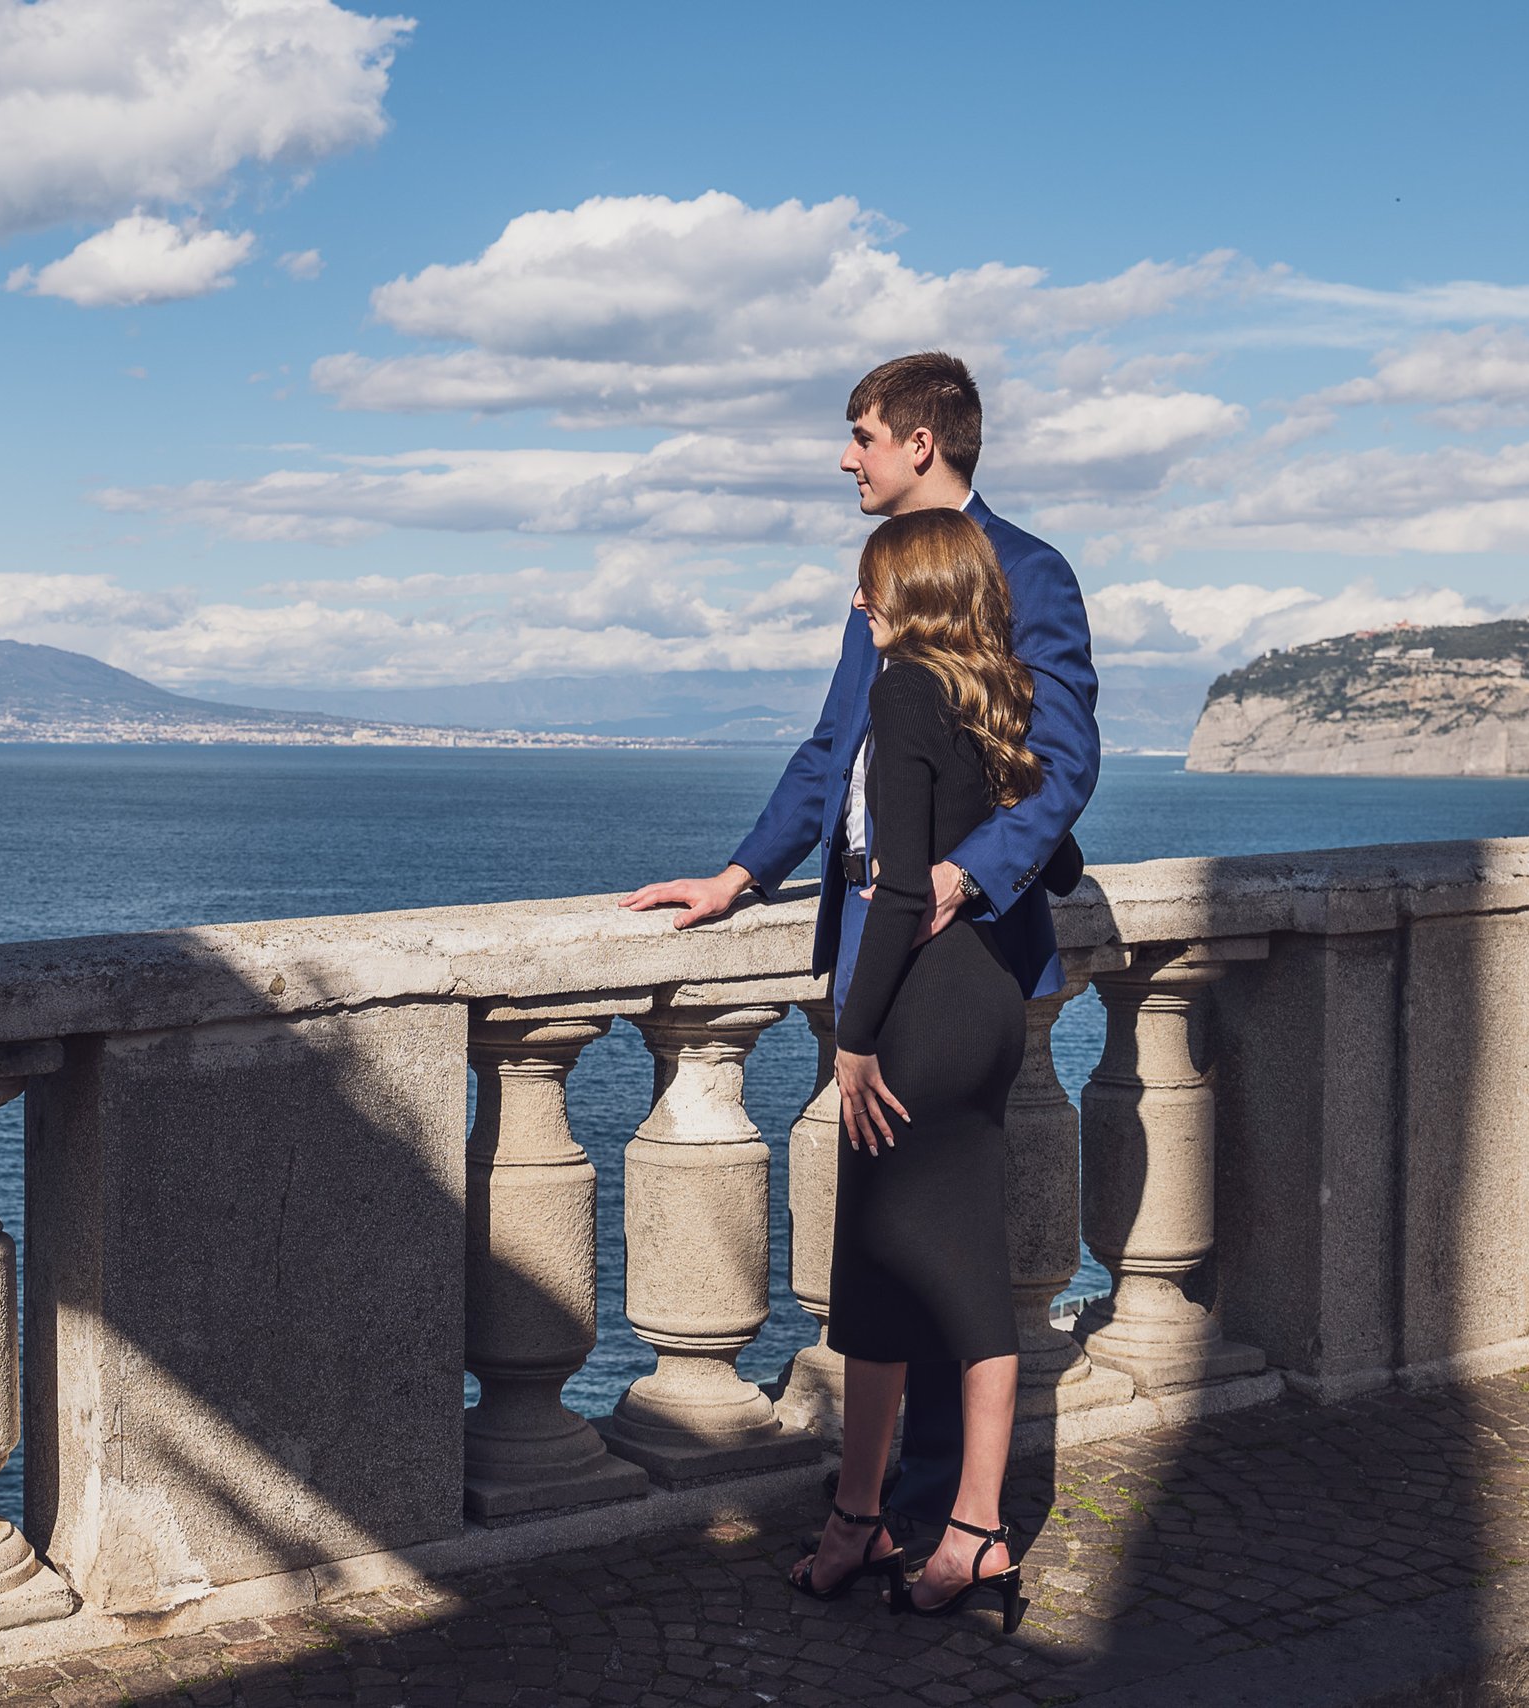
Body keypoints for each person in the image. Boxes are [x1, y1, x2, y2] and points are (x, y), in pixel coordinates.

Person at [620, 350, 1099, 1611]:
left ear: (923, 444)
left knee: (937, 1245)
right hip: (876, 951)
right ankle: (885, 1512)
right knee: (880, 1249)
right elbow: (833, 749)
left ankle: (954, 1515)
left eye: (863, 435)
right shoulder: (880, 591)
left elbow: (1062, 763)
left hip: (963, 953)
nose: (848, 457)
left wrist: (958, 876)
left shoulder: (1027, 572)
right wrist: (739, 874)